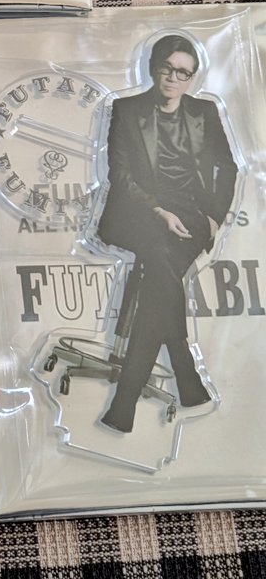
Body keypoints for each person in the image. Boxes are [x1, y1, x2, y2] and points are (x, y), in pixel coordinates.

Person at [96, 34, 238, 433]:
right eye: (167, 68)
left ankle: (125, 404)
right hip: (140, 213)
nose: (174, 78)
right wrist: (159, 211)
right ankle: (184, 372)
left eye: (183, 73)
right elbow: (120, 175)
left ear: (192, 78)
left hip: (193, 214)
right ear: (153, 66)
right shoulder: (126, 110)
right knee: (159, 263)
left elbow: (228, 167)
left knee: (158, 274)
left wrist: (215, 217)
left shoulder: (204, 112)